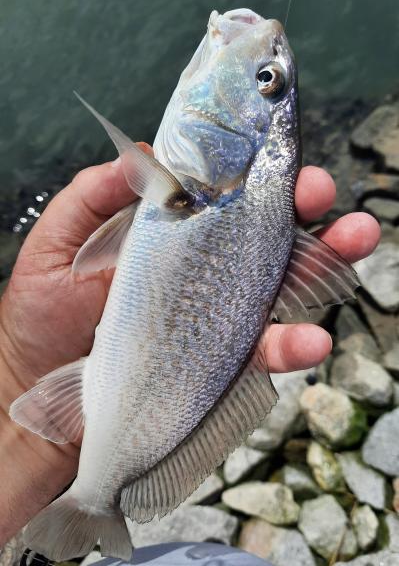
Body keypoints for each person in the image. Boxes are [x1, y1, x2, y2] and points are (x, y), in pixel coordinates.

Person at [0, 147, 380, 545]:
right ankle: (94, 492)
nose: (260, 81)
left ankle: (95, 495)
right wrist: (12, 368)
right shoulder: (191, 184)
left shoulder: (185, 180)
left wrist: (13, 372)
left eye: (265, 79)